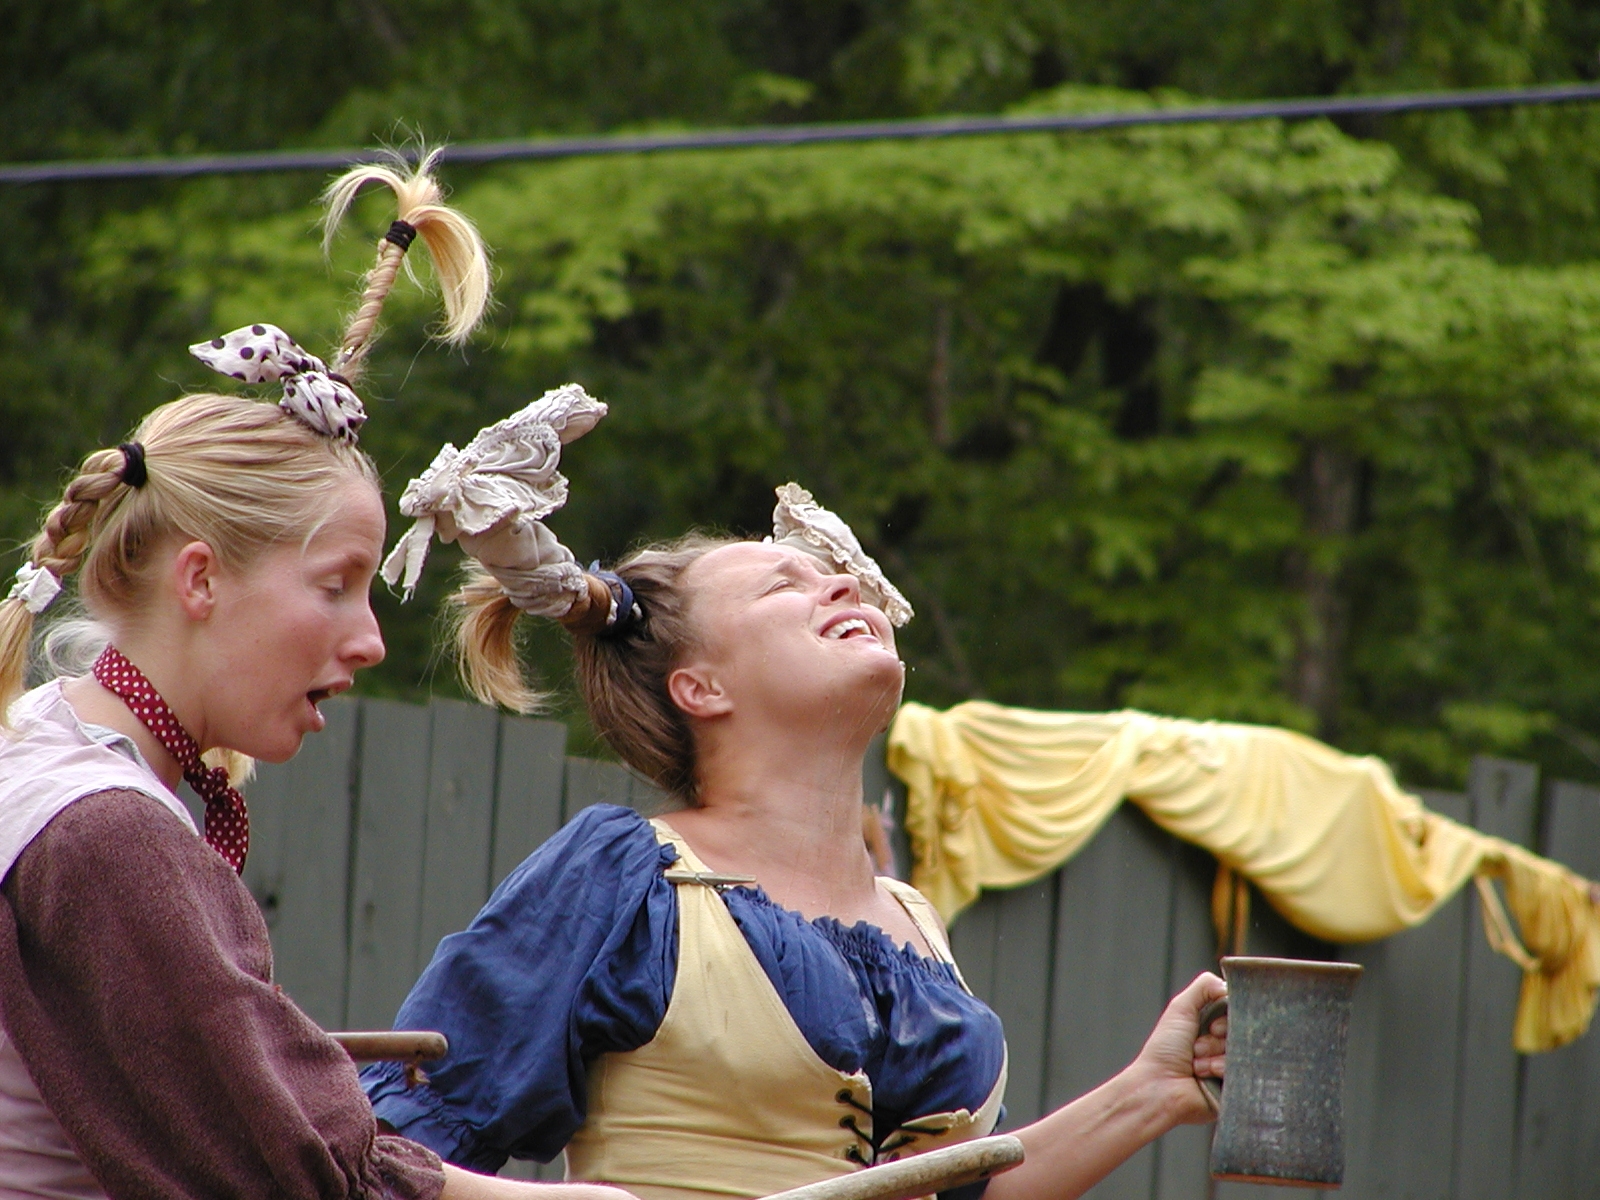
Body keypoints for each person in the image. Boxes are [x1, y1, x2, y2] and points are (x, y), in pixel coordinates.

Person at [361, 402, 1229, 1200]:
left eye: (834, 578)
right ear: (701, 688)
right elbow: (382, 1156)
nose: (845, 585)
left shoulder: (912, 920)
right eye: (786, 586)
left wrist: (1153, 1091)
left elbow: (971, 1189)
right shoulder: (626, 879)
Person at [0, 154, 630, 1200]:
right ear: (201, 579)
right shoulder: (105, 832)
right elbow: (303, 1177)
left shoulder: (43, 754)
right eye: (336, 585)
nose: (371, 640)